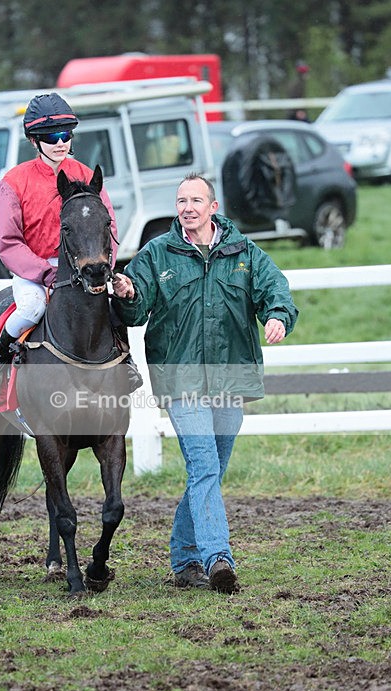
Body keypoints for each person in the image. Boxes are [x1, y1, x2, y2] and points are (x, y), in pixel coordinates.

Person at [112, 174, 298, 593]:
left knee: (210, 471)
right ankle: (218, 558)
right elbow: (136, 309)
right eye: (181, 200)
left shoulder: (243, 252)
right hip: (181, 379)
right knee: (204, 466)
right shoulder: (157, 254)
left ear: (213, 207)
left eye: (196, 200)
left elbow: (276, 290)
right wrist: (126, 292)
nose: (187, 207)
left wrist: (276, 316)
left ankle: (183, 558)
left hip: (231, 377)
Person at [0, 92, 141, 403]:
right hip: (34, 269)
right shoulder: (14, 182)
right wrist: (43, 272)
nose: (60, 143)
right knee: (31, 308)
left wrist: (103, 266)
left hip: (84, 267)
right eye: (51, 137)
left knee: (110, 306)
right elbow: (8, 241)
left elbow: (109, 227)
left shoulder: (86, 175)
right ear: (34, 141)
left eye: (66, 135)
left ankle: (125, 361)